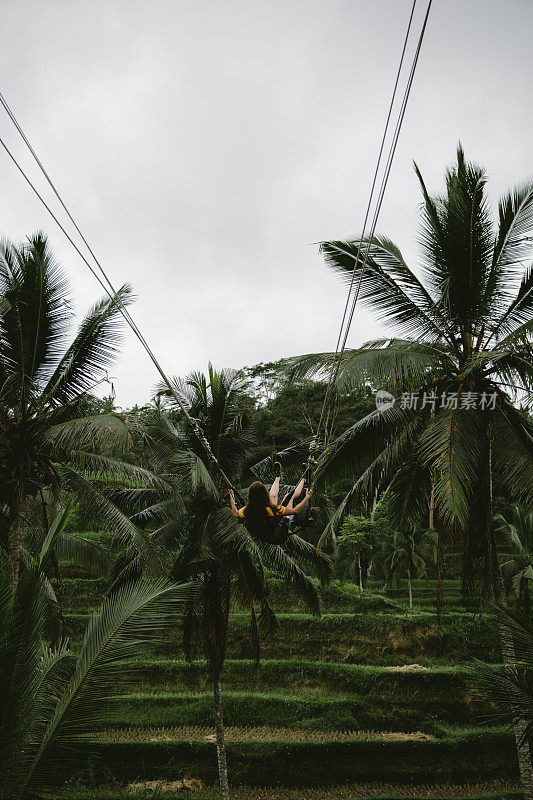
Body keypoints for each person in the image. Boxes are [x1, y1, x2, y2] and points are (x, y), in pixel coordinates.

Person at [229, 463, 311, 542]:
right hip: (279, 534)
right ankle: (303, 478)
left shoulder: (247, 509)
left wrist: (231, 496)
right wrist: (307, 497)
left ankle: (277, 477)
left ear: (250, 496)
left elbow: (235, 513)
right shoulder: (273, 509)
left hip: (264, 535)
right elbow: (295, 511)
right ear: (265, 494)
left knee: (274, 497)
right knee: (289, 496)